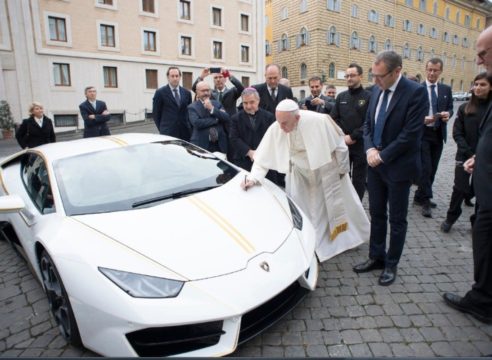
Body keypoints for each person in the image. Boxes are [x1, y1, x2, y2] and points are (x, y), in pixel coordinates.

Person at [241, 99, 369, 262]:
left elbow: (340, 146)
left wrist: (342, 171)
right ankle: (308, 243)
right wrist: (253, 178)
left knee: (327, 210)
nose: (281, 128)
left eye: (285, 123)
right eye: (279, 122)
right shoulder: (278, 126)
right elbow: (262, 157)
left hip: (324, 172)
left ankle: (340, 242)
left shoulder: (320, 121)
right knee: (302, 211)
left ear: (297, 118)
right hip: (299, 174)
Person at [353, 51, 428, 286]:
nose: (375, 81)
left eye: (380, 76)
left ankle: (391, 264)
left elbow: (411, 135)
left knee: (397, 219)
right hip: (375, 165)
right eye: (373, 76)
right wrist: (369, 150)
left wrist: (382, 155)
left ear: (397, 72)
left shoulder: (415, 92)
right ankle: (376, 256)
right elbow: (367, 125)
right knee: (376, 214)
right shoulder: (376, 89)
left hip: (398, 168)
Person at [442, 25, 492, 324]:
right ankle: (483, 297)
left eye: (483, 53)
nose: (479, 60)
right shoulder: (470, 108)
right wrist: (478, 156)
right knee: (483, 241)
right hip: (482, 179)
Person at [441, 72, 492, 233]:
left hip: (486, 159)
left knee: (480, 190)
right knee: (460, 188)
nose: (477, 87)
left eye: (482, 84)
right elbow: (457, 133)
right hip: (464, 155)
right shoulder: (465, 108)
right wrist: (470, 153)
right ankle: (451, 217)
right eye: (475, 84)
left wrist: (480, 156)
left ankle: (476, 221)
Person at [413, 58, 454, 218]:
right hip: (422, 134)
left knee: (433, 169)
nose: (431, 73)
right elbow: (411, 111)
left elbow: (450, 107)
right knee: (425, 168)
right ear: (425, 69)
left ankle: (419, 195)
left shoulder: (445, 89)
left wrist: (447, 114)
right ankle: (426, 200)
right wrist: (422, 119)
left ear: (440, 71)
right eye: (429, 69)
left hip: (438, 134)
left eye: (435, 70)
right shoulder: (417, 88)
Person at [331, 63, 371, 200]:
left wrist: (353, 136)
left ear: (360, 76)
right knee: (343, 177)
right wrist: (342, 136)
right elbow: (333, 119)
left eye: (352, 75)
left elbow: (369, 122)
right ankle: (346, 204)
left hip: (360, 145)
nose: (349, 78)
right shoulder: (341, 97)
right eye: (347, 76)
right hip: (343, 145)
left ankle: (357, 206)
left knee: (359, 180)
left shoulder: (369, 97)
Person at [188, 81, 230, 153]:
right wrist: (216, 119)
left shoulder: (217, 104)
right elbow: (197, 123)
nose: (206, 93)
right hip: (201, 145)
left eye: (207, 90)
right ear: (197, 92)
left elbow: (226, 117)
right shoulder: (192, 107)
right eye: (203, 91)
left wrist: (212, 109)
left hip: (219, 145)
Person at [152, 66, 192, 141]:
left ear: (180, 77)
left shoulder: (187, 93)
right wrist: (162, 129)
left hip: (185, 132)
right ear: (168, 77)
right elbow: (156, 114)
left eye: (177, 76)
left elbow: (189, 112)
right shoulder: (160, 93)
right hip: (168, 133)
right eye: (172, 76)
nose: (175, 78)